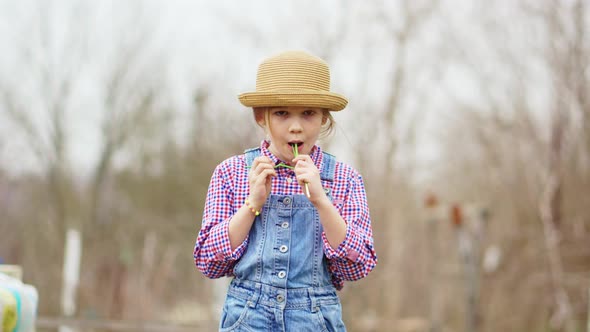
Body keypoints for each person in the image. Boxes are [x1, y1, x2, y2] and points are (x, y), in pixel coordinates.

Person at [193, 50, 377, 331]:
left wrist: (322, 202)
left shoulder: (344, 178)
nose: (295, 127)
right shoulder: (231, 173)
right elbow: (209, 262)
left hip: (314, 319)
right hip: (247, 318)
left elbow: (357, 266)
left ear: (324, 118)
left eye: (308, 114)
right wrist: (252, 204)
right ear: (260, 117)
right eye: (281, 113)